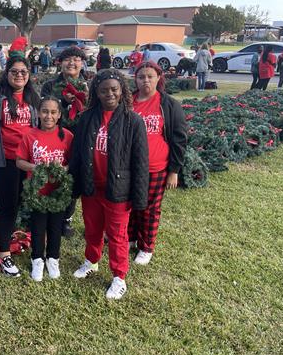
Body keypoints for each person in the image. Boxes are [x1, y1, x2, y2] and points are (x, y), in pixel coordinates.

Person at [69, 69, 149, 299]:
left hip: (118, 190)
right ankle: (92, 260)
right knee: (92, 228)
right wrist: (75, 185)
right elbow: (77, 154)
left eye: (114, 89)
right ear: (96, 92)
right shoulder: (87, 118)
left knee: (117, 234)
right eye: (104, 90)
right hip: (91, 186)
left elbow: (140, 161)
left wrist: (139, 196)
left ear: (122, 90)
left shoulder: (133, 121)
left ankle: (119, 276)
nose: (109, 94)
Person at [0, 55, 40, 277]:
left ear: (29, 74)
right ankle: (4, 254)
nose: (19, 75)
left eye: (23, 72)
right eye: (14, 71)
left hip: (30, 162)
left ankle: (37, 250)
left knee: (34, 203)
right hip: (5, 161)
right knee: (8, 207)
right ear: (7, 73)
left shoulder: (33, 96)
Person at [129, 61, 187, 265]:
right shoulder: (128, 102)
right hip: (130, 166)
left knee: (150, 208)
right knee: (131, 204)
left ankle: (146, 246)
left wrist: (174, 170)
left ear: (158, 78)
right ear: (135, 79)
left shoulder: (168, 105)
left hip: (156, 166)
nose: (146, 80)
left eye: (150, 76)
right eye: (141, 76)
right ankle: (131, 237)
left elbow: (179, 139)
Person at [16, 97, 73, 281]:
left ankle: (53, 258)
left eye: (53, 112)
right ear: (38, 113)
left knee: (56, 227)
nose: (49, 116)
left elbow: (72, 163)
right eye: (45, 111)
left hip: (58, 193)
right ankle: (37, 259)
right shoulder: (29, 135)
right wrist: (36, 168)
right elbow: (19, 161)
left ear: (59, 115)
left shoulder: (67, 136)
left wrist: (62, 169)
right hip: (37, 193)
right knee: (38, 227)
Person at [40, 46, 89, 237]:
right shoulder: (50, 86)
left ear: (82, 63)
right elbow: (44, 112)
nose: (72, 63)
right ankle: (50, 216)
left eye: (76, 59)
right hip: (55, 138)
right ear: (60, 62)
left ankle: (66, 219)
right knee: (52, 177)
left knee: (72, 179)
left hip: (79, 141)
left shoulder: (88, 86)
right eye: (68, 59)